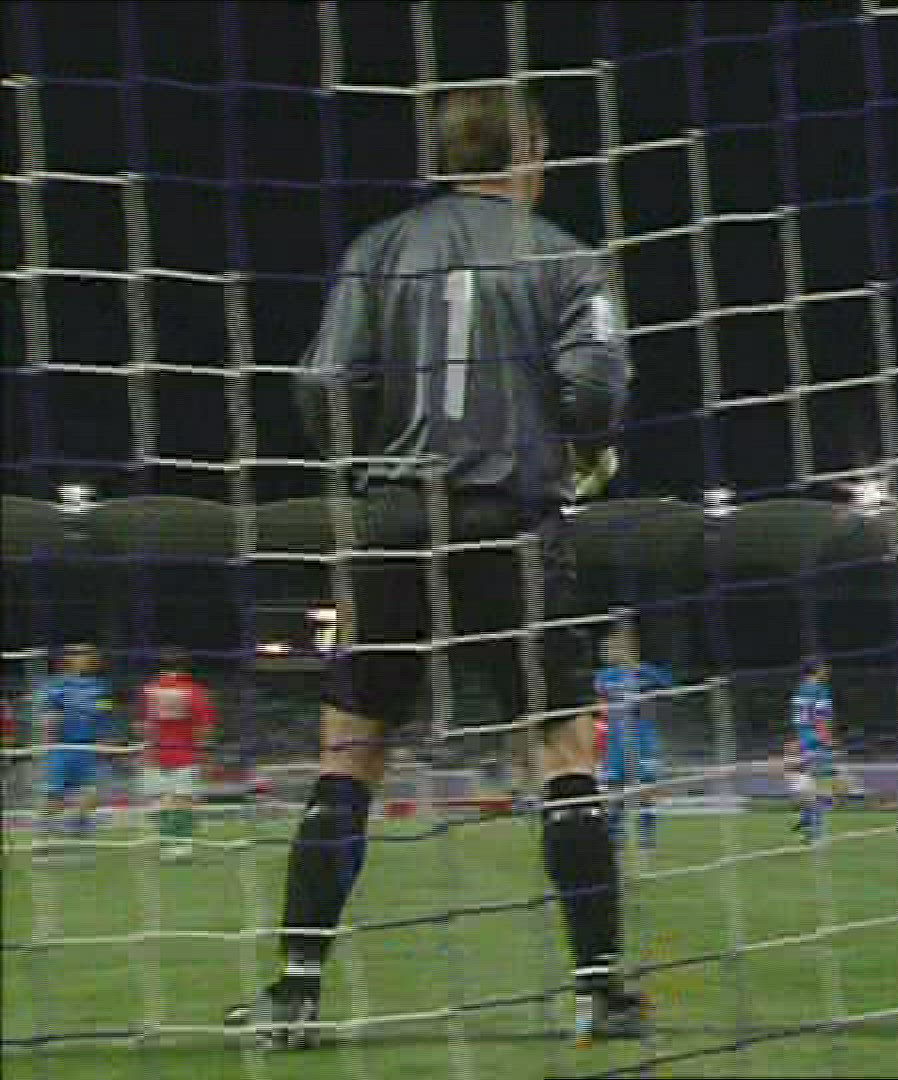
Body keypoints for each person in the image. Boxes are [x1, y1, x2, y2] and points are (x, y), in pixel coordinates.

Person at [223, 84, 640, 1049]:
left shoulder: (378, 250)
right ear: (531, 151)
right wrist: (579, 450)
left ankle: (294, 993)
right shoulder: (567, 257)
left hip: (396, 524)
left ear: (447, 156)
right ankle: (599, 991)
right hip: (511, 522)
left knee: (351, 753)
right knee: (562, 754)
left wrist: (373, 462)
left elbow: (321, 384)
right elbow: (594, 387)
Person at [33, 643, 117, 857]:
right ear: (68, 659)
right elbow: (47, 716)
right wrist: (46, 743)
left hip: (89, 747)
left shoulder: (100, 687)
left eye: (89, 654)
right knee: (55, 796)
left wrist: (106, 740)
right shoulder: (56, 685)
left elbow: (104, 713)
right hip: (62, 747)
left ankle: (76, 829)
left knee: (94, 793)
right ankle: (43, 839)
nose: (86, 658)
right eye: (80, 654)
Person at [592, 622, 670, 850]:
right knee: (614, 789)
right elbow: (600, 706)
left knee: (645, 789)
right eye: (604, 650)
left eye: (610, 649)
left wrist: (641, 671)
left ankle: (647, 836)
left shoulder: (644, 671)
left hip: (642, 737)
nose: (606, 654)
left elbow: (669, 687)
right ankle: (616, 835)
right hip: (615, 740)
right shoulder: (603, 676)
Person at [137, 647, 217, 863]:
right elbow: (205, 727)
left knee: (160, 801)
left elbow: (141, 725)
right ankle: (181, 846)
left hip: (155, 752)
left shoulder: (148, 690)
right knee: (184, 800)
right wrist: (205, 753)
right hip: (184, 753)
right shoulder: (194, 691)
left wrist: (145, 749)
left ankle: (166, 843)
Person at [789, 657, 837, 842]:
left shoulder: (800, 690)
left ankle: (807, 820)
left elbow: (800, 718)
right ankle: (813, 830)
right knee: (827, 790)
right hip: (815, 742)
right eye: (824, 668)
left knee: (813, 788)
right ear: (816, 670)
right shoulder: (820, 690)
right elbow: (820, 718)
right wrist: (826, 739)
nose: (827, 671)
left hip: (802, 740)